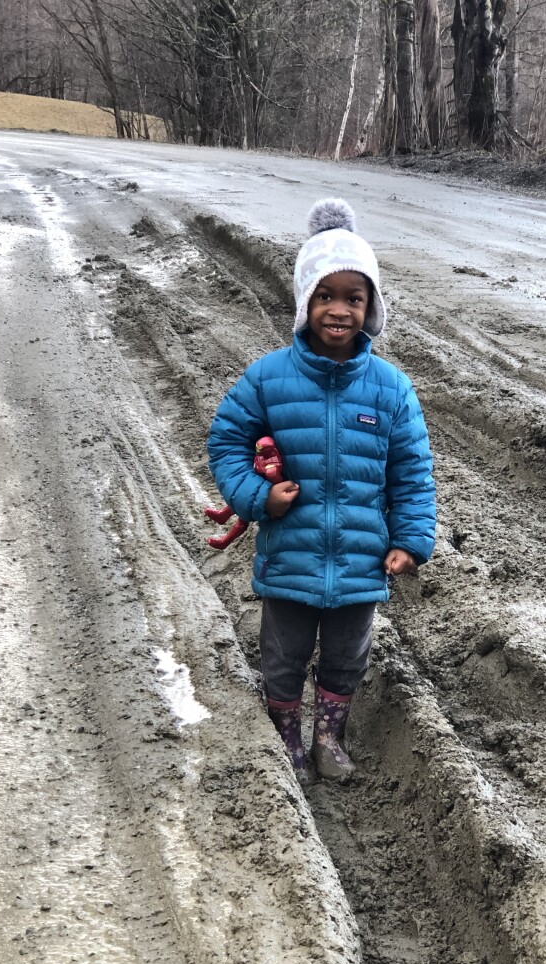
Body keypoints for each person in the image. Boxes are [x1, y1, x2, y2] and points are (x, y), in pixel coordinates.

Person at [207, 198, 436, 782]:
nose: (339, 311)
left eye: (354, 299)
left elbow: (411, 471)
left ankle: (328, 736)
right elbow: (226, 443)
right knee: (282, 659)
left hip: (361, 558)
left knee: (346, 658)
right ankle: (287, 739)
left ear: (372, 307)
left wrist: (411, 539)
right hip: (290, 555)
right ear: (305, 301)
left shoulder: (391, 389)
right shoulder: (267, 378)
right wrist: (258, 500)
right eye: (325, 297)